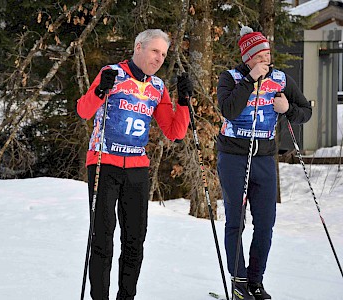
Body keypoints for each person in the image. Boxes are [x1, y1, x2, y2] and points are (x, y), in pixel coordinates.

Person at [77, 29, 193, 300]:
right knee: (103, 238)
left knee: (134, 240)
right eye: (155, 51)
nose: (159, 58)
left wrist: (184, 103)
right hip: (104, 162)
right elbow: (83, 110)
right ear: (138, 47)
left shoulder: (157, 87)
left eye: (163, 54)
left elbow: (174, 132)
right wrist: (101, 90)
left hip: (137, 169)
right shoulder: (112, 73)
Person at [216, 26, 312, 300]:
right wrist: (249, 81)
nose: (266, 60)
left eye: (268, 54)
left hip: (264, 159)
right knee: (236, 221)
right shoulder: (231, 78)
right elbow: (229, 111)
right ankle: (239, 281)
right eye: (260, 55)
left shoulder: (281, 79)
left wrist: (288, 109)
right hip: (234, 157)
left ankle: (256, 281)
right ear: (248, 58)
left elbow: (305, 111)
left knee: (265, 222)